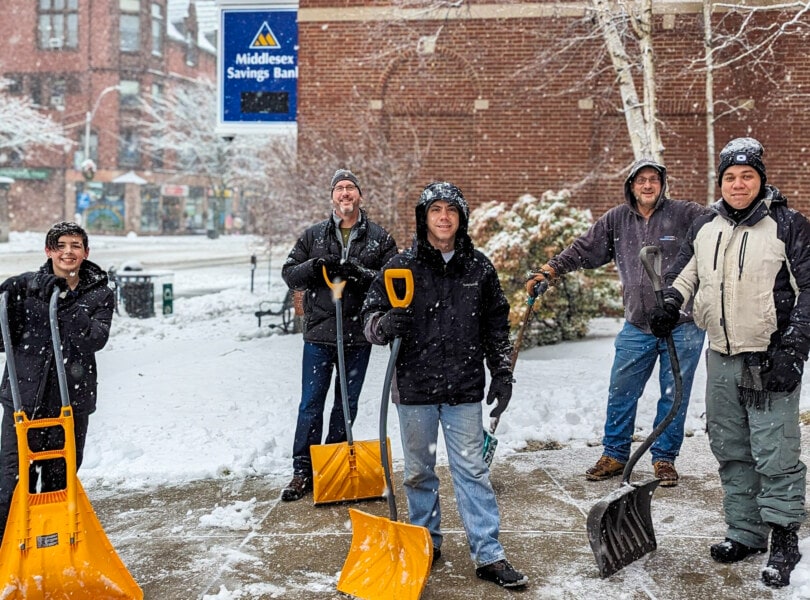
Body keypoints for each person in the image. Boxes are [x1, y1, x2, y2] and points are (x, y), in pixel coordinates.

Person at [648, 137, 809, 588]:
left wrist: (793, 349)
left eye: (747, 176)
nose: (738, 184)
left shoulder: (788, 224)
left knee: (774, 452)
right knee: (731, 448)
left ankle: (782, 536)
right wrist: (670, 302)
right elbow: (687, 272)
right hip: (720, 354)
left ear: (761, 179)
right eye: (730, 177)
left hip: (770, 355)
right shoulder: (708, 225)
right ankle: (745, 530)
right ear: (721, 182)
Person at [362, 181, 528, 589]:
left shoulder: (479, 268)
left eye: (451, 211)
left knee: (471, 470)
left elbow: (495, 326)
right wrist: (383, 325)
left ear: (461, 219)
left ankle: (488, 554)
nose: (443, 218)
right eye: (436, 210)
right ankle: (425, 541)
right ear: (424, 218)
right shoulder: (400, 266)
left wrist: (502, 372)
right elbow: (369, 317)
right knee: (419, 472)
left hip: (464, 388)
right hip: (414, 388)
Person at [525, 158, 709, 487]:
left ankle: (664, 458)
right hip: (637, 325)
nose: (648, 185)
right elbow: (583, 248)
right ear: (631, 185)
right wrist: (550, 271)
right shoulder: (618, 219)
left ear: (663, 184)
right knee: (622, 391)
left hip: (682, 324)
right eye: (642, 180)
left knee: (674, 395)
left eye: (654, 179)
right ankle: (615, 453)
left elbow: (721, 223)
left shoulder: (684, 214)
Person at [280, 169, 397, 502]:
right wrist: (316, 266)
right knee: (310, 405)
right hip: (319, 336)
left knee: (346, 407)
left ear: (359, 195)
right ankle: (302, 471)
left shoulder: (379, 238)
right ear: (332, 196)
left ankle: (330, 468)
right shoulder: (313, 236)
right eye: (339, 188)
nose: (345, 193)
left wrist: (360, 274)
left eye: (350, 188)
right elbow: (290, 274)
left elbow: (393, 278)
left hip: (357, 337)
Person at [0, 221, 114, 543]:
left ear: (85, 252)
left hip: (70, 404)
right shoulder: (29, 290)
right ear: (49, 251)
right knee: (11, 482)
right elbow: (1, 340)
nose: (68, 252)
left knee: (58, 484)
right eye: (61, 245)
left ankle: (50, 549)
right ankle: (6, 554)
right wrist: (7, 299)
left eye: (75, 246)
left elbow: (94, 339)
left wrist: (63, 301)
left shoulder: (100, 294)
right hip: (25, 399)